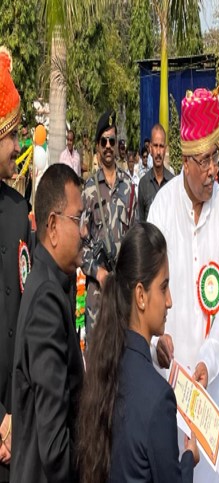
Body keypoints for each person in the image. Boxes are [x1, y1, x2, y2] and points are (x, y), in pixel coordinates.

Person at [147, 86, 219, 483]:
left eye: (216, 157)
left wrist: (208, 360)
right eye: (204, 161)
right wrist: (155, 344)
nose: (213, 170)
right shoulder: (161, 208)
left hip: (208, 390)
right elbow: (144, 295)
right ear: (184, 160)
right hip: (167, 384)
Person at [77, 222, 199, 483]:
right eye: (163, 287)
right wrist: (188, 459)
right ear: (141, 296)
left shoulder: (104, 364)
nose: (169, 301)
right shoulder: (159, 399)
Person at [11, 164, 85, 483]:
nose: (84, 231)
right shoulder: (47, 301)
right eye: (78, 219)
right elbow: (55, 449)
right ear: (53, 226)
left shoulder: (52, 283)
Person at [0, 46, 32, 481]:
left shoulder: (18, 212)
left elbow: (25, 314)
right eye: (11, 136)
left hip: (14, 426)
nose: (18, 146)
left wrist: (13, 413)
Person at [81, 110, 137, 335]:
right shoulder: (88, 190)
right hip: (97, 292)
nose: (107, 145)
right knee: (96, 362)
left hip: (122, 290)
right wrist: (98, 272)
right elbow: (80, 245)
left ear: (116, 145)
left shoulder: (128, 185)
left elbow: (135, 237)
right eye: (103, 141)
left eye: (111, 141)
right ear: (97, 146)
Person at [138, 124, 174, 222]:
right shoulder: (143, 184)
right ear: (150, 148)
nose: (158, 152)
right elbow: (141, 223)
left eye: (161, 146)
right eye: (155, 146)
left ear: (165, 149)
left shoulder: (173, 183)